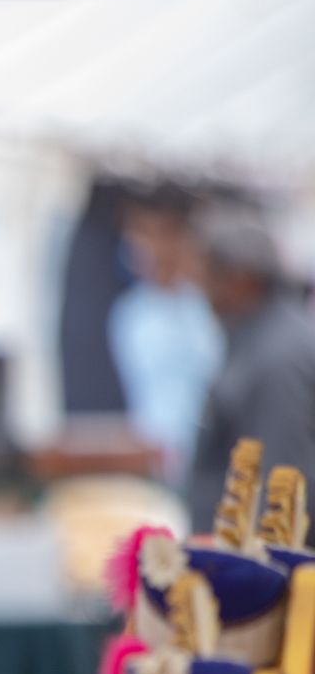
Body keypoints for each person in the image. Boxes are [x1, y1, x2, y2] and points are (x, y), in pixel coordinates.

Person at [186, 217, 315, 538]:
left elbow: (280, 485)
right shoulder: (262, 341)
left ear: (242, 279)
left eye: (208, 275)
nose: (201, 289)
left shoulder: (279, 357)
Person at [108, 186, 221, 483]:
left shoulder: (210, 306)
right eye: (138, 234)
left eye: (157, 233)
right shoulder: (130, 314)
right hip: (157, 469)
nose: (146, 246)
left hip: (212, 468)